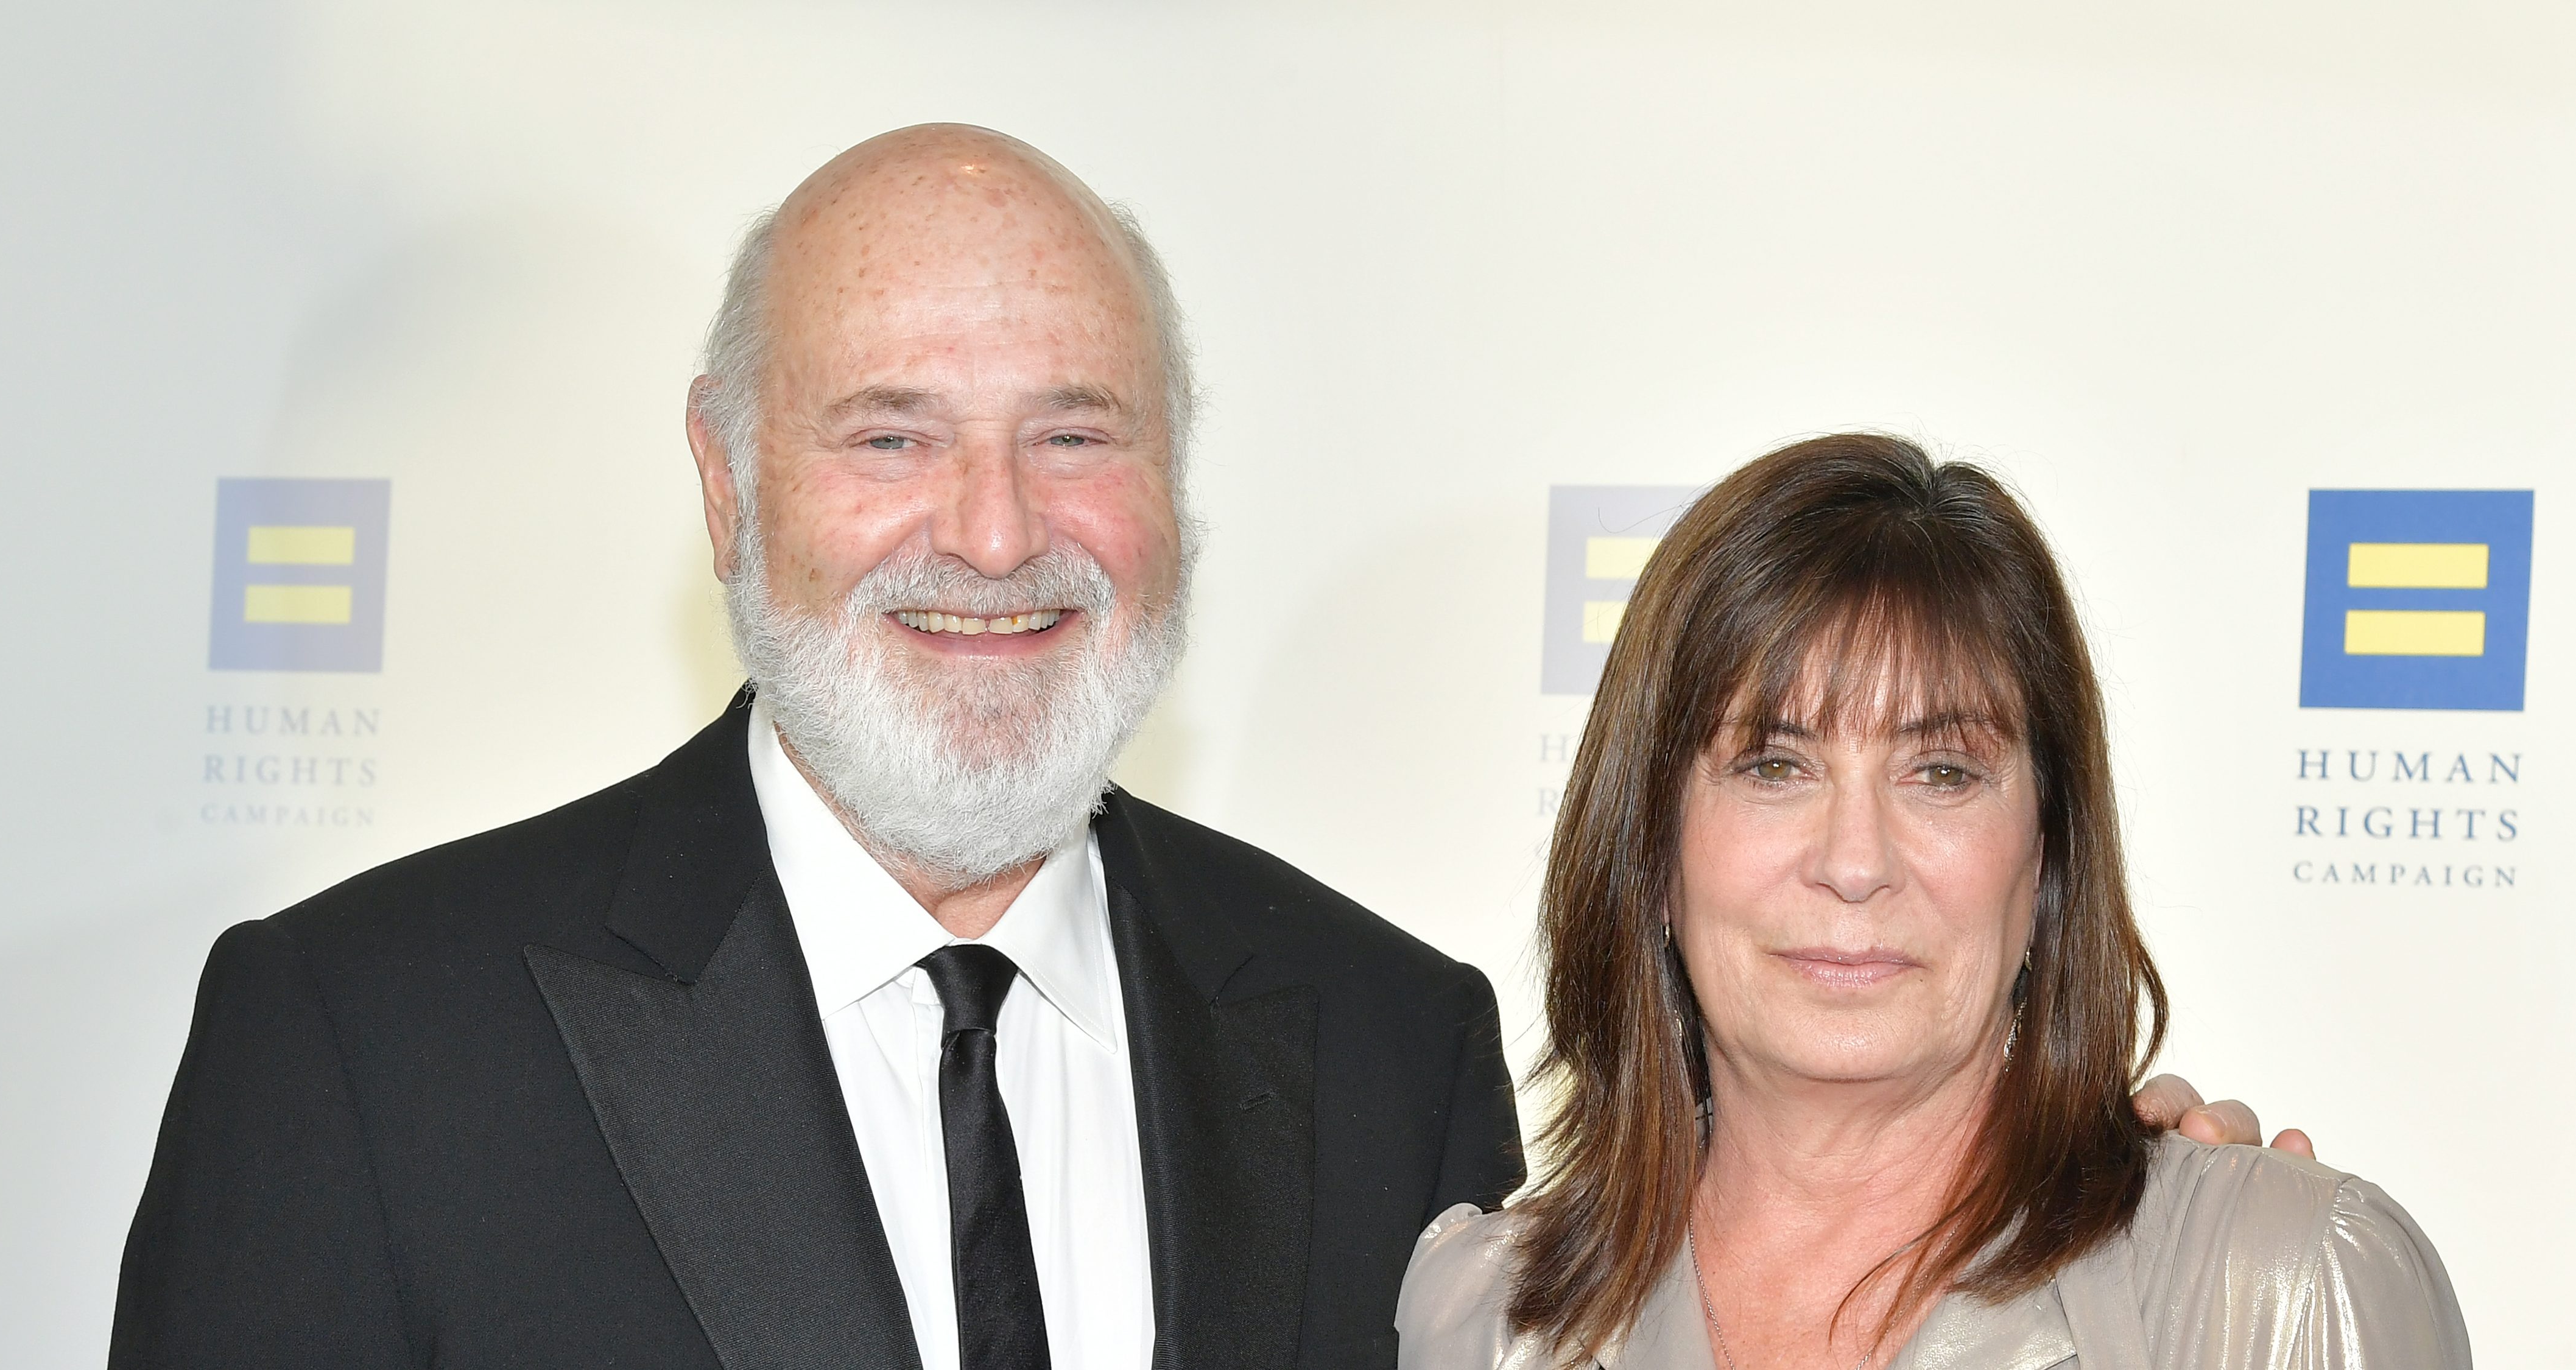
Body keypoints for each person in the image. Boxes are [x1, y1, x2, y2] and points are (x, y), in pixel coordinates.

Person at [112, 127, 2281, 1370]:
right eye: (889, 436)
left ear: (1174, 488)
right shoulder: (367, 1046)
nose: (990, 532)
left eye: (1076, 434)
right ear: (724, 488)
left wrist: (2108, 1220)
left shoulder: (1380, 1057)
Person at [1394, 434, 2468, 1369]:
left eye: (1941, 772)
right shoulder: (1485, 1320)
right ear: (1650, 841)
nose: (1855, 862)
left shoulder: (2278, 1291)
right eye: (1773, 764)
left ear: (2046, 852)